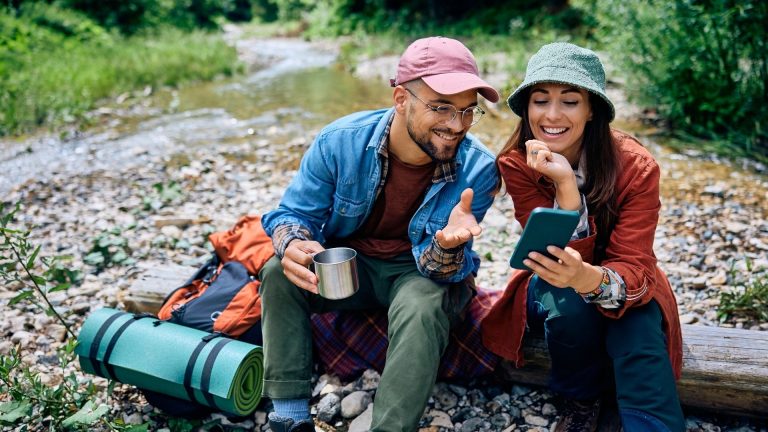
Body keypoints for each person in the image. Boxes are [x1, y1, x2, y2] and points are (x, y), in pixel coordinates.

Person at [259, 36, 500, 432]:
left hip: (419, 271)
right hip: (354, 267)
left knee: (424, 306)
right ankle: (289, 412)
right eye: (441, 108)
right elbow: (292, 214)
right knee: (275, 271)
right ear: (401, 98)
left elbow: (440, 272)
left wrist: (444, 246)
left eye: (467, 111)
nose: (456, 125)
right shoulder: (340, 142)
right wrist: (293, 242)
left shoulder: (479, 168)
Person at [481, 42, 685, 432]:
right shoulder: (517, 163)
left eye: (570, 101)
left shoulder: (637, 167)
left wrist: (589, 279)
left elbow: (634, 259)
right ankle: (580, 400)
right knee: (566, 303)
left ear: (592, 109)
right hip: (553, 280)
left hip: (629, 278)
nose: (552, 114)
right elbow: (547, 254)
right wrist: (565, 187)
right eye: (540, 100)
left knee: (638, 326)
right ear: (527, 107)